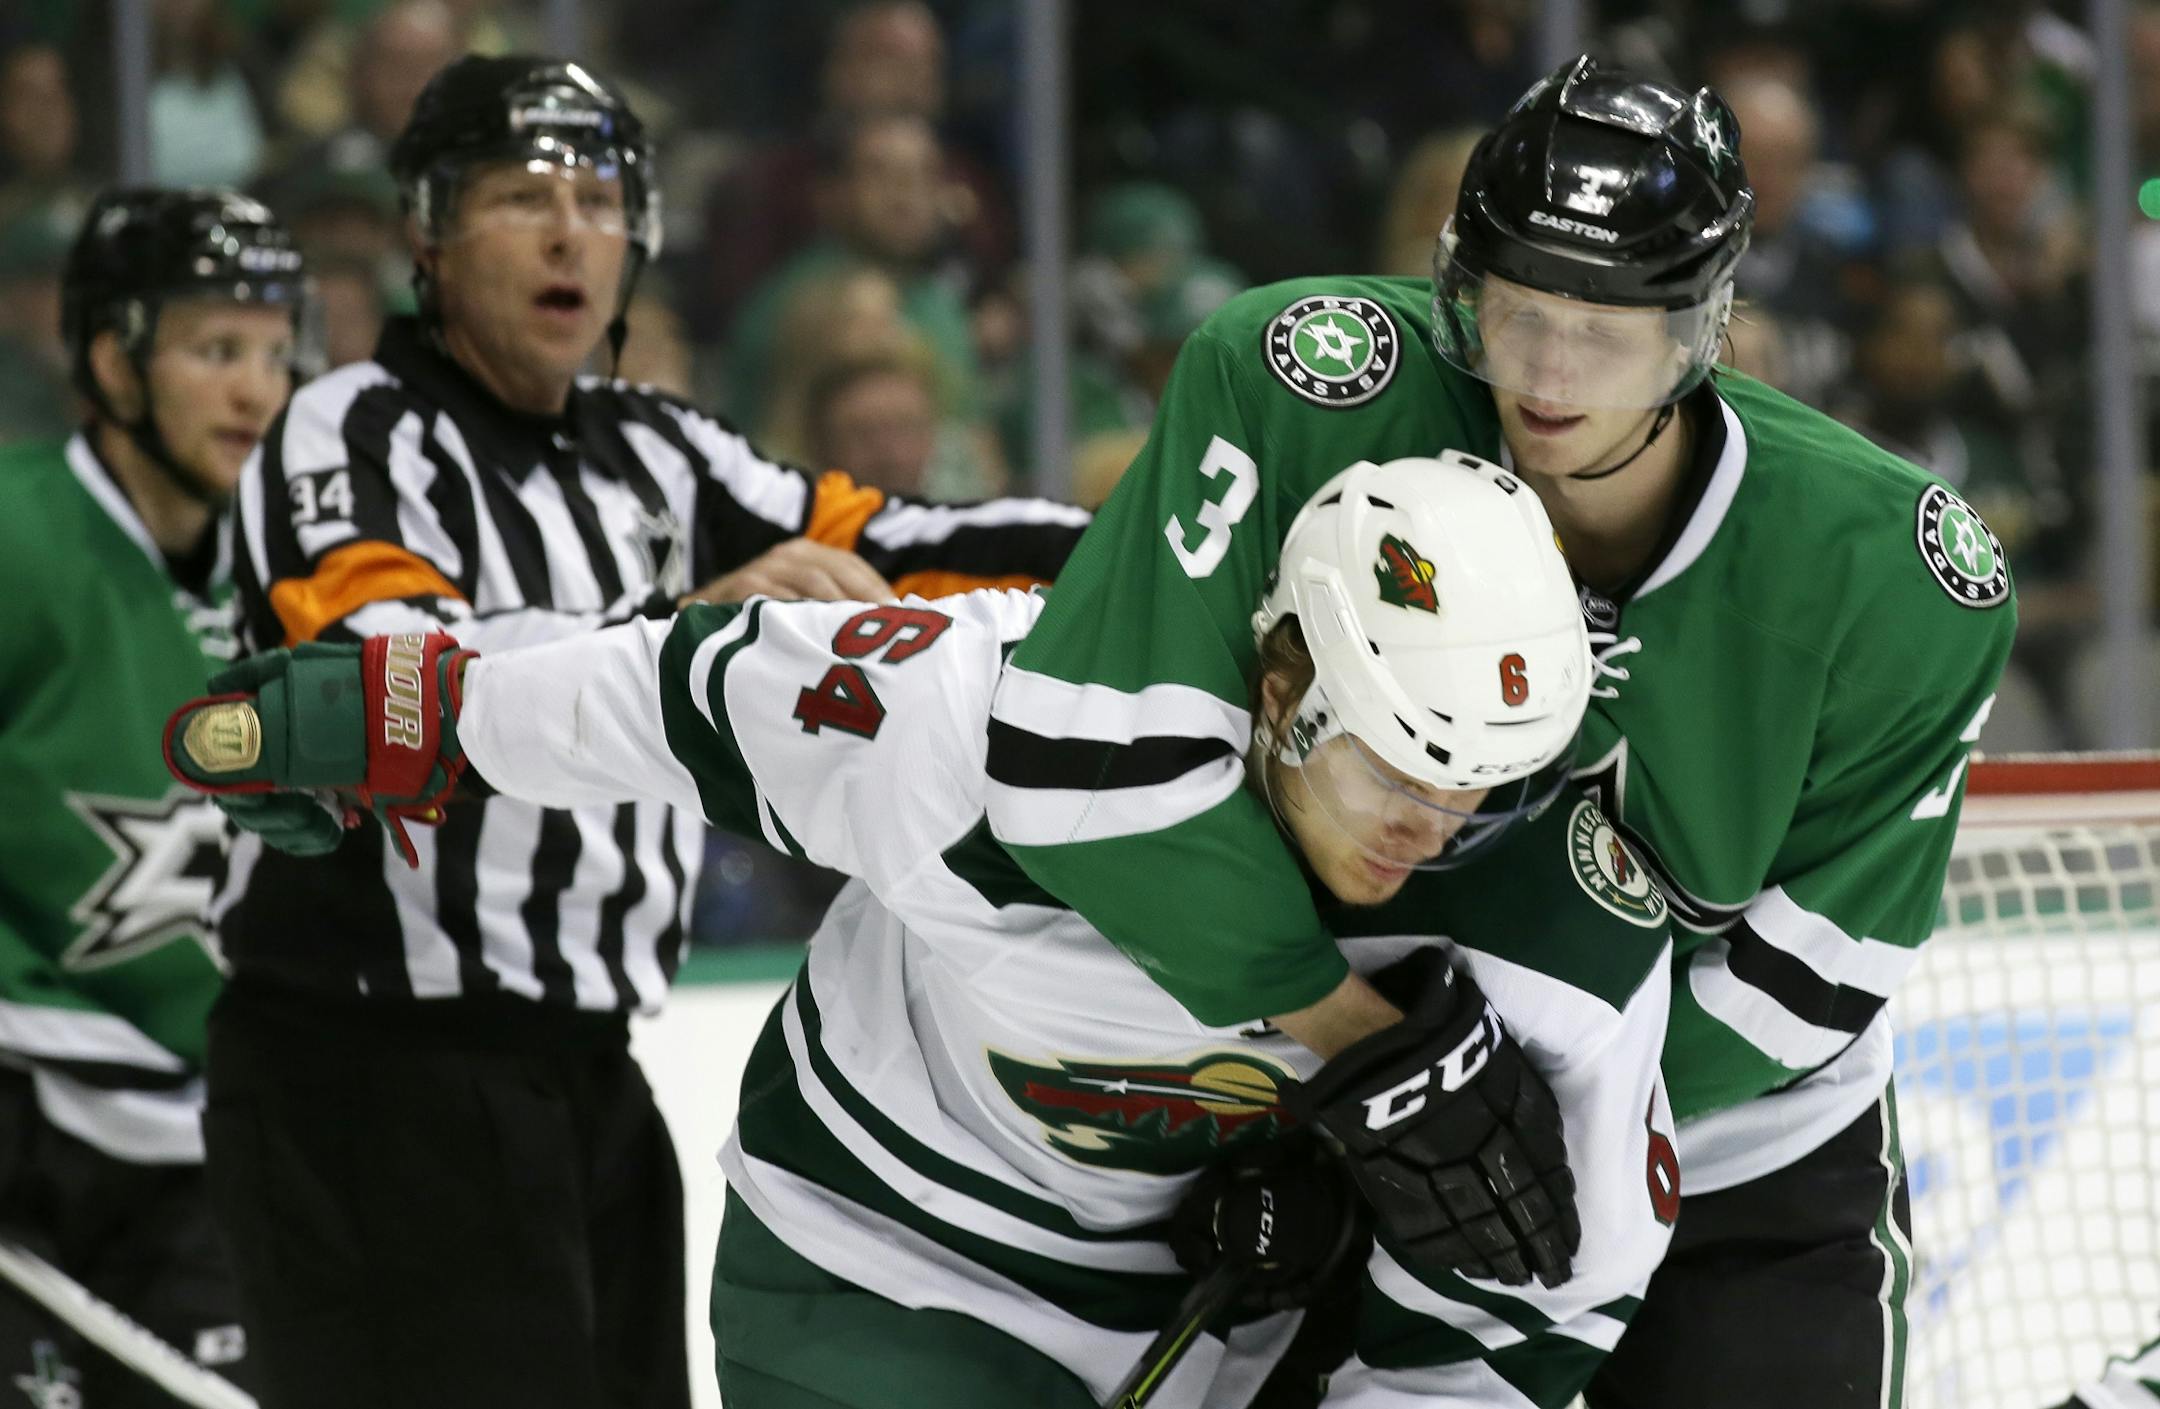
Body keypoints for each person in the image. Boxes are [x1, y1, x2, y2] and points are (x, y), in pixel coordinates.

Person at [166, 453, 1682, 1407]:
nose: (1434, 826)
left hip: (1207, 1308)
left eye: (1482, 786)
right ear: (1283, 687)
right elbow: (671, 696)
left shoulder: (1546, 899)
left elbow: (1558, 1290)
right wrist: (399, 713)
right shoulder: (983, 709)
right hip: (876, 1255)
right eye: (1398, 766)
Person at [978, 54, 2018, 1409]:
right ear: (1459, 283)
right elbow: (1090, 778)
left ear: (1702, 329)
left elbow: (1808, 979)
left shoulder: (1888, 578)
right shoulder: (1304, 391)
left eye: (1608, 328)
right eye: (1519, 311)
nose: (1548, 371)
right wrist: (1372, 1072)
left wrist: (1515, 1124)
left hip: (1727, 1148)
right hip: (1339, 1099)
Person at [198, 54, 1088, 1409]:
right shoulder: (348, 431)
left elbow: (910, 545)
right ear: (428, 234)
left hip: (590, 1070)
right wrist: (683, 623)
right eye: (522, 196)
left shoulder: (658, 450)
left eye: (601, 200)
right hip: (373, 1076)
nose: (571, 233)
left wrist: (1164, 544)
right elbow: (382, 685)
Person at [0, 187, 311, 1406]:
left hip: (210, 1154)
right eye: (214, 349)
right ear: (111, 361)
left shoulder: (299, 574)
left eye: (275, 353)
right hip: (25, 1121)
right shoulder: (20, 534)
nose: (256, 392)